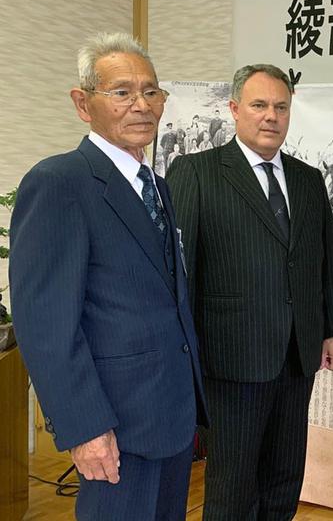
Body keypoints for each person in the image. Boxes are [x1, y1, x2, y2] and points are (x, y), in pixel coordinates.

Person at [9, 32, 207, 520]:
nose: (141, 105)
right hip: (113, 424)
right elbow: (46, 326)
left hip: (170, 413)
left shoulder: (157, 185)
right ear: (83, 103)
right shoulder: (59, 183)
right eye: (121, 92)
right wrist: (83, 428)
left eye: (151, 92)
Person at [166, 63, 333, 520]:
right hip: (231, 358)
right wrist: (181, 356)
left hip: (297, 354)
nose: (272, 116)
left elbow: (325, 261)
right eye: (260, 105)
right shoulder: (197, 172)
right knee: (233, 483)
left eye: (281, 107)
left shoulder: (308, 179)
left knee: (284, 475)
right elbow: (180, 275)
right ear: (234, 109)